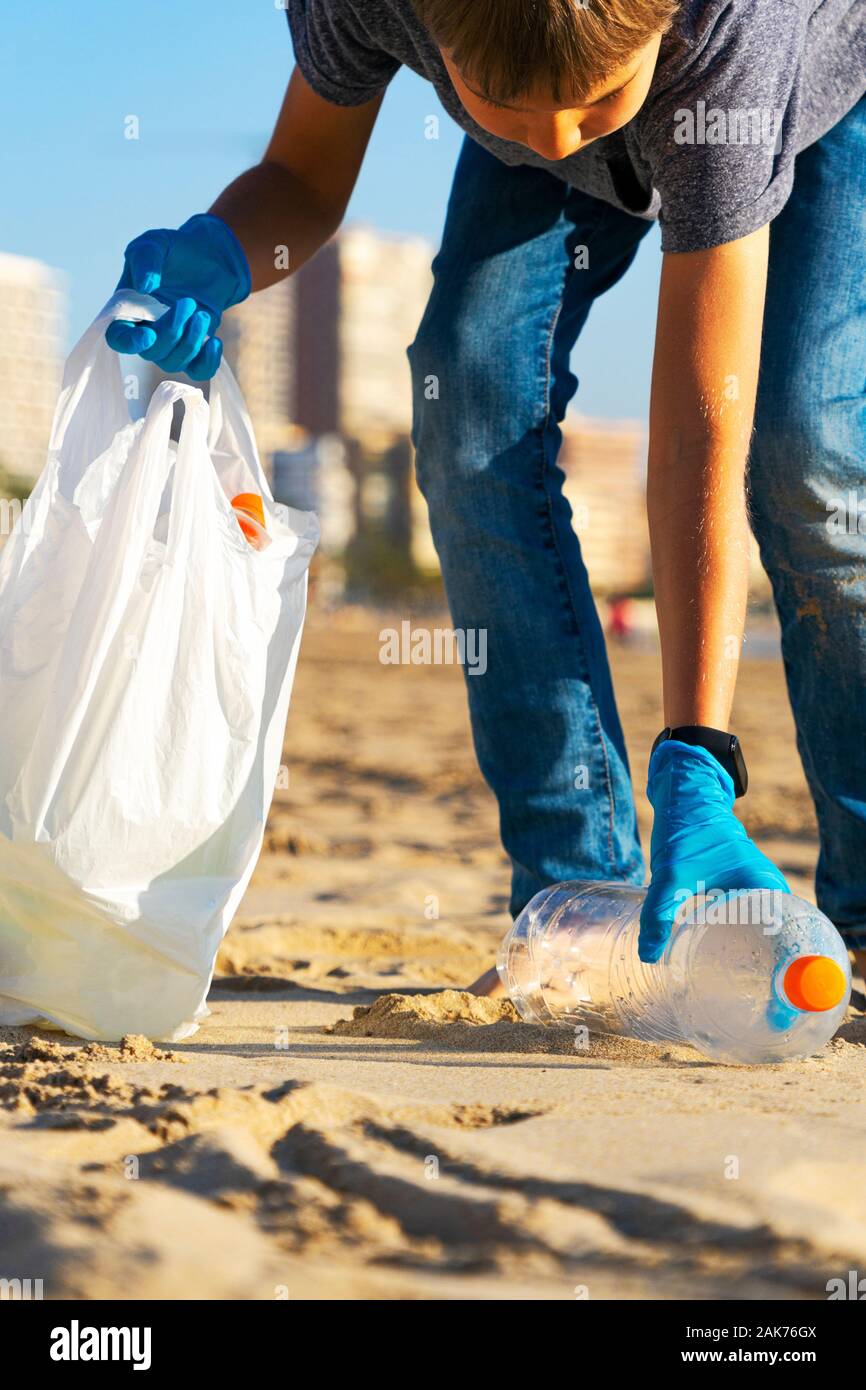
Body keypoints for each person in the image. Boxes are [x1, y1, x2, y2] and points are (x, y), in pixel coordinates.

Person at [106, 0, 866, 985]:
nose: (555, 140)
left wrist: (696, 756)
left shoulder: (724, 26)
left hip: (807, 84)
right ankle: (574, 896)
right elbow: (300, 177)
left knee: (805, 453)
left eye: (593, 102)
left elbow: (693, 429)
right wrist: (221, 252)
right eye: (501, 104)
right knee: (468, 393)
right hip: (614, 68)